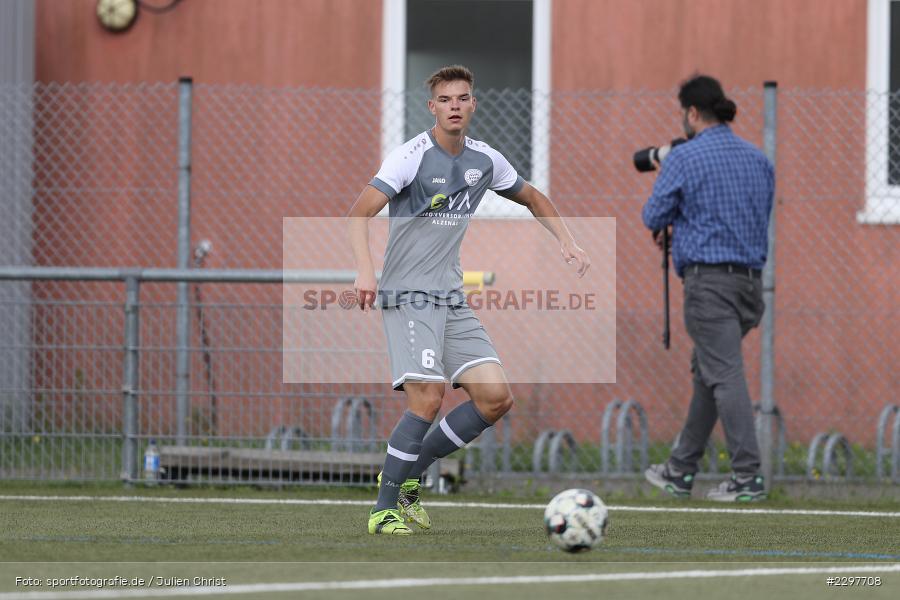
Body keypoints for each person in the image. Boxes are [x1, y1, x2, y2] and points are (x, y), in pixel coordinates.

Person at [348, 65, 590, 534]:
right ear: (432, 107)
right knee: (428, 398)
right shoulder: (410, 157)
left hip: (450, 297)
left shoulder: (486, 160)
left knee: (495, 398)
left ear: (473, 105)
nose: (454, 106)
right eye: (446, 99)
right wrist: (364, 271)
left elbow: (534, 197)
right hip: (409, 294)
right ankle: (383, 509)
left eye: (463, 98)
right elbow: (358, 214)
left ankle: (410, 473)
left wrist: (568, 240)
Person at [641, 74, 775, 502]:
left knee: (724, 374)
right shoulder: (759, 160)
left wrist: (677, 213)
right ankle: (680, 470)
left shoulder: (684, 158)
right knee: (710, 372)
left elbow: (653, 214)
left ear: (692, 113)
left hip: (709, 285)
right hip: (752, 286)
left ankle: (748, 476)